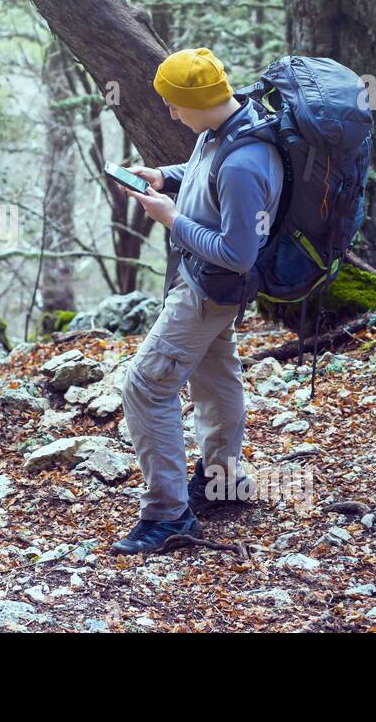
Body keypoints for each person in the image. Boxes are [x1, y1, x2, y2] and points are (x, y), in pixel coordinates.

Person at [108, 48, 284, 555]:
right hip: (207, 287)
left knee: (144, 386)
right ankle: (222, 480)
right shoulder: (228, 125)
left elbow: (237, 254)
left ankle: (168, 515)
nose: (169, 113)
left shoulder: (247, 164)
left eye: (173, 104)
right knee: (215, 373)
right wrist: (165, 177)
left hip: (209, 289)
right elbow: (203, 170)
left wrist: (172, 220)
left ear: (195, 99)